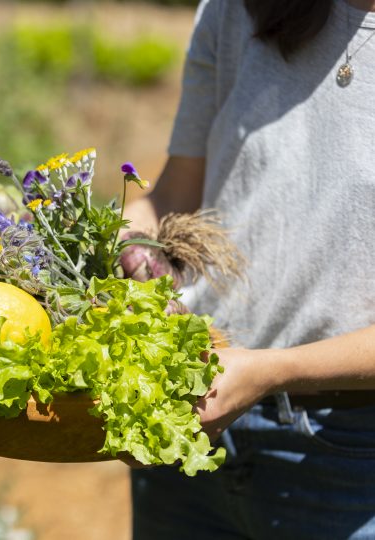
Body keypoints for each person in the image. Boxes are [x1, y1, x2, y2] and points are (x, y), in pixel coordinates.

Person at [123, 0, 375, 538]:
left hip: (350, 455)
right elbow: (174, 193)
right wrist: (134, 244)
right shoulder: (237, 11)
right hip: (190, 416)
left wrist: (267, 371)